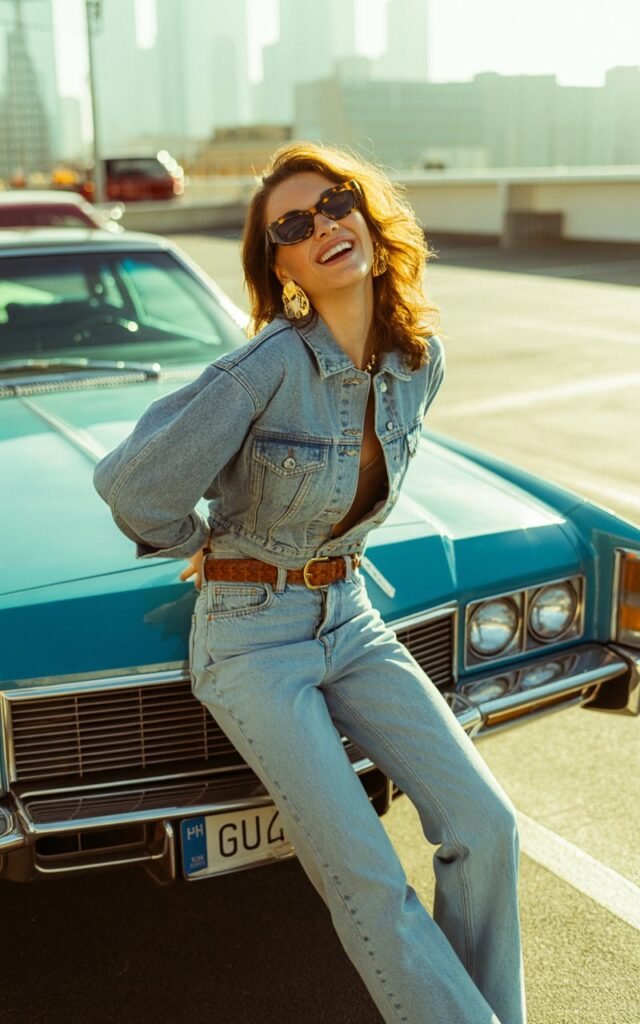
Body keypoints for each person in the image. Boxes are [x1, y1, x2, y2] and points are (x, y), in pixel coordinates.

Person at [94, 142, 526, 1024]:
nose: (322, 224)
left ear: (366, 214)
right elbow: (133, 483)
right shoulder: (264, 367)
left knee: (486, 826)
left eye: (334, 203)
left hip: (351, 615)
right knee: (369, 879)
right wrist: (204, 543)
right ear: (280, 263)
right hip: (252, 638)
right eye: (293, 224)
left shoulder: (418, 362)